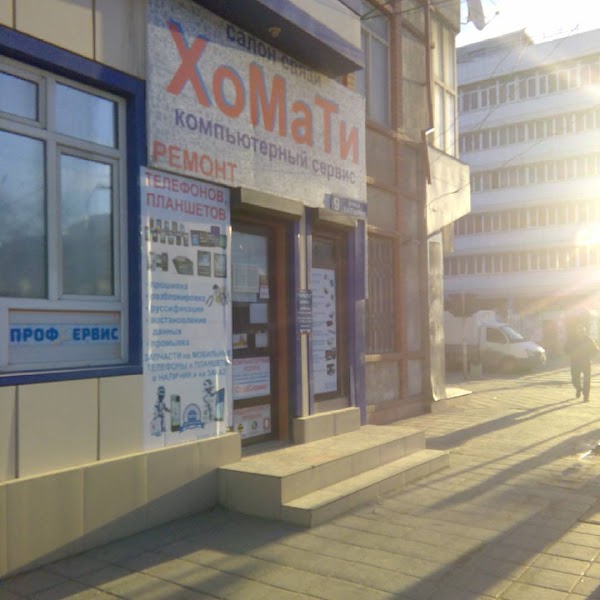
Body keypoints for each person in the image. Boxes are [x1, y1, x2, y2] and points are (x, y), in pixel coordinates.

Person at [564, 325, 599, 402]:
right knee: (574, 379)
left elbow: (596, 350)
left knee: (587, 380)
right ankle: (578, 388)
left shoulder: (588, 339)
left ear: (584, 331)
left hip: (586, 362)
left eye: (582, 331)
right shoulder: (572, 339)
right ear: (577, 331)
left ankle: (586, 396)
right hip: (575, 362)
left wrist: (590, 357)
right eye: (579, 331)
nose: (581, 333)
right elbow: (566, 348)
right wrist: (570, 354)